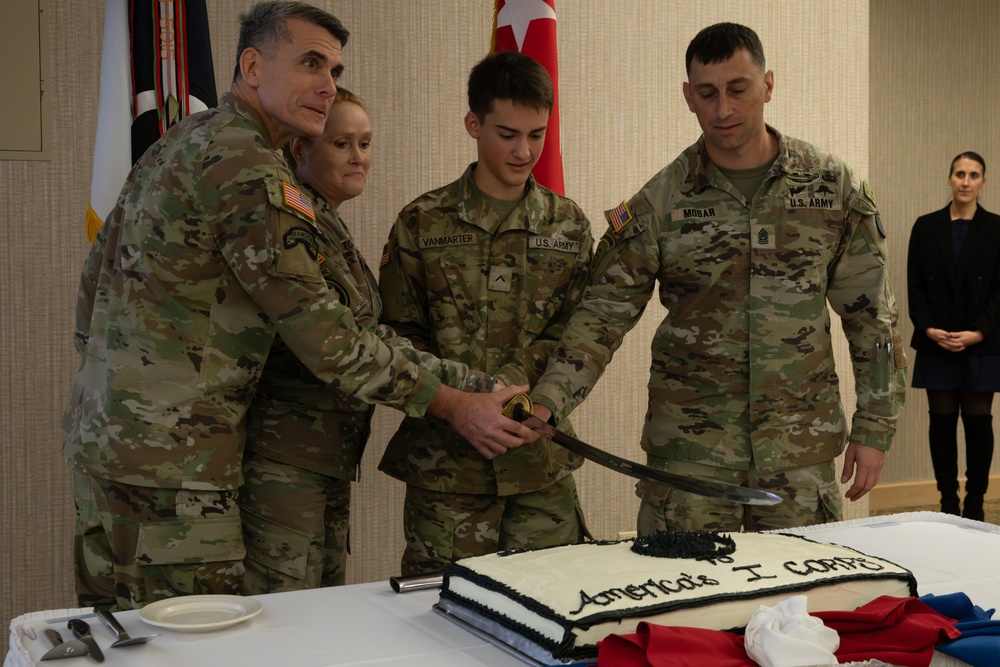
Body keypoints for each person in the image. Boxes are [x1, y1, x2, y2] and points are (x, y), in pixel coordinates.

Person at [64, 1, 533, 611]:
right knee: (191, 651)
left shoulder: (180, 141)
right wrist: (453, 404)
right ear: (253, 66)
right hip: (177, 469)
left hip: (107, 445)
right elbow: (327, 339)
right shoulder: (248, 167)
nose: (326, 85)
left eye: (334, 70)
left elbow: (90, 292)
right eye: (311, 62)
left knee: (116, 638)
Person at [528, 22, 907, 534]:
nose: (723, 110)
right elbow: (601, 317)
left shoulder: (830, 186)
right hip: (691, 460)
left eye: (738, 89)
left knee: (801, 604)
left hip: (798, 451)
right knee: (686, 608)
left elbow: (873, 322)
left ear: (768, 85)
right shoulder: (660, 200)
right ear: (688, 96)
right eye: (707, 94)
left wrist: (875, 426)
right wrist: (550, 399)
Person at [377, 51, 594, 575]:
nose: (524, 152)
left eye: (537, 135)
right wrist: (465, 398)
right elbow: (395, 336)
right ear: (473, 124)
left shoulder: (569, 227)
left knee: (557, 612)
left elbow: (578, 335)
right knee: (443, 621)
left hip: (538, 464)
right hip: (447, 473)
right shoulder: (422, 222)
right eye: (507, 134)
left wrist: (521, 387)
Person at [239, 88, 378, 592]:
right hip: (286, 463)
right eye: (342, 143)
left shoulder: (328, 224)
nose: (358, 156)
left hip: (326, 459)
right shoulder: (296, 224)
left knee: (324, 614)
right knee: (285, 619)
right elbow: (341, 342)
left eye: (365, 143)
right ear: (300, 149)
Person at [907, 151, 1000, 521]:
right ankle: (947, 502)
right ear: (949, 179)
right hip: (937, 340)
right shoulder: (925, 226)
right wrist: (928, 328)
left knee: (979, 425)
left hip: (983, 341)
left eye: (973, 174)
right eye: (960, 174)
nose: (966, 181)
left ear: (983, 182)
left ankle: (975, 504)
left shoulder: (997, 228)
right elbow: (914, 285)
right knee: (941, 423)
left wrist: (979, 332)